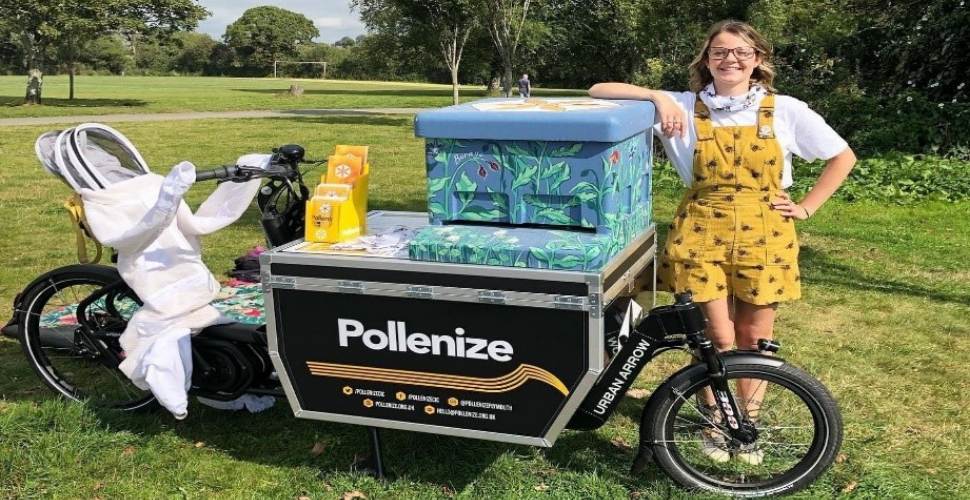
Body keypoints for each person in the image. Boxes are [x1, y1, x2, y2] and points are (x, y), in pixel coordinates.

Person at [589, 20, 856, 464]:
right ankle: (717, 419)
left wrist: (807, 206)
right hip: (700, 231)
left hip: (767, 233)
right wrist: (655, 96)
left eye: (741, 52)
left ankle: (746, 423)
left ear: (757, 61)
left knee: (755, 335)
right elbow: (599, 90)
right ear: (706, 59)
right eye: (720, 51)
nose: (730, 59)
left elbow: (841, 156)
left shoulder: (785, 109)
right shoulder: (682, 104)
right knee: (714, 333)